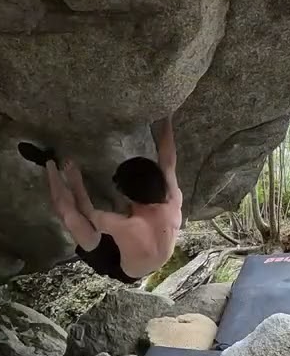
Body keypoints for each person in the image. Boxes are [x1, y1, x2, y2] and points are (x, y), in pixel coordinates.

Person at [18, 116, 182, 284]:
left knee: (70, 217)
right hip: (148, 256)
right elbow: (168, 161)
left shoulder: (124, 225)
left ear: (127, 196)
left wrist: (75, 180)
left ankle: (48, 162)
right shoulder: (173, 200)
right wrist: (168, 117)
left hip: (120, 267)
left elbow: (87, 212)